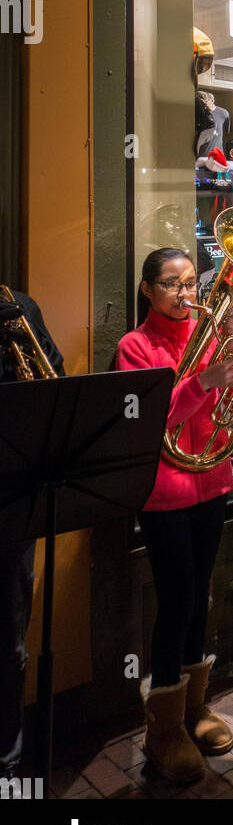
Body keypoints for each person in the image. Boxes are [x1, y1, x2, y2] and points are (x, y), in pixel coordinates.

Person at [115, 248, 233, 783]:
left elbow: (231, 401)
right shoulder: (134, 346)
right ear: (148, 289)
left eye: (191, 283)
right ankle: (162, 729)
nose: (185, 294)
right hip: (165, 490)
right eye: (172, 284)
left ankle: (195, 708)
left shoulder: (207, 334)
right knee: (174, 601)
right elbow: (150, 421)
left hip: (211, 479)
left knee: (202, 595)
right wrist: (205, 380)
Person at [0, 291, 64, 780]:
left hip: (13, 503)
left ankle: (8, 759)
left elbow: (54, 382)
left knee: (9, 645)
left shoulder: (18, 304)